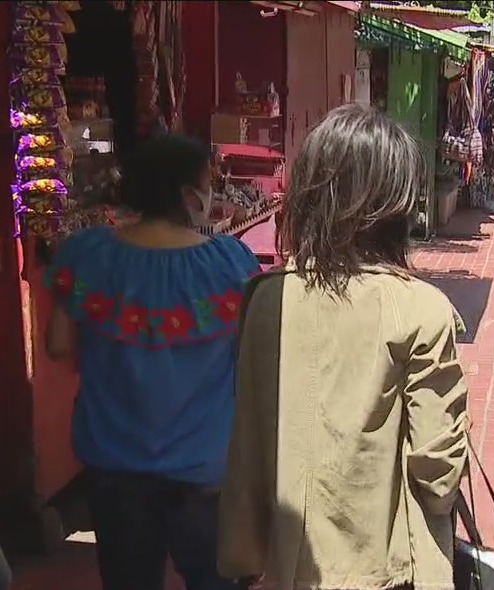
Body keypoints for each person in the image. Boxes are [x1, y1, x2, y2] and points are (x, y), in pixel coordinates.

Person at [218, 104, 470, 590]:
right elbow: (438, 477)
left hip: (279, 565)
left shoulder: (267, 298)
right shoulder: (421, 309)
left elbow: (249, 440)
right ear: (396, 206)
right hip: (380, 572)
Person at [43, 134, 260, 590]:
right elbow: (250, 356)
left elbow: (59, 345)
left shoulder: (86, 255)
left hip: (114, 462)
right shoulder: (231, 265)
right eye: (208, 185)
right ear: (188, 195)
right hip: (204, 466)